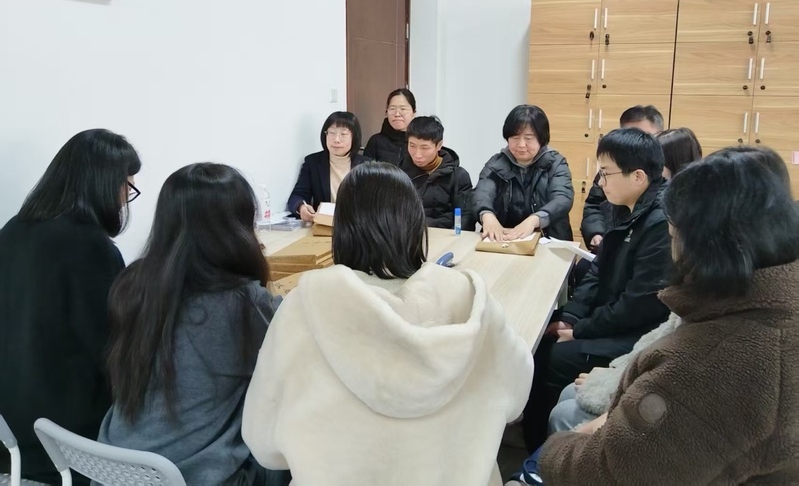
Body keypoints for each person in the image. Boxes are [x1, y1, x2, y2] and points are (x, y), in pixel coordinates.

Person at [242, 163, 533, 486]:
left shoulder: (303, 308)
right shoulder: (473, 303)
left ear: (342, 228)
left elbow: (263, 442)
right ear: (415, 222)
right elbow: (516, 398)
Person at [537, 147, 799, 484]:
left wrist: (549, 454)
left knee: (562, 411)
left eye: (674, 236)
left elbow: (614, 468)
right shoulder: (767, 290)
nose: (600, 182)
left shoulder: (711, 360)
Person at [99, 163, 287, 486]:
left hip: (115, 468)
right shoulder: (243, 302)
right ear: (237, 227)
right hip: (195, 476)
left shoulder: (133, 284)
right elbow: (292, 356)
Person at [0, 129, 141, 485]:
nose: (125, 199)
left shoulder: (12, 231)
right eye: (127, 186)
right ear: (103, 185)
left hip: (12, 428)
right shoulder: (91, 248)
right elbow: (112, 349)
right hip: (69, 442)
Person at [522, 128, 672, 451]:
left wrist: (579, 331)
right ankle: (535, 442)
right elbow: (596, 271)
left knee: (552, 356)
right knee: (544, 333)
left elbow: (638, 307)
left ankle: (542, 452)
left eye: (606, 173)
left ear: (638, 177)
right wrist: (571, 319)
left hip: (640, 334)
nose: (600, 182)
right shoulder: (625, 207)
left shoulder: (660, 223)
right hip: (614, 317)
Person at [473, 105, 574, 242]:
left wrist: (534, 220)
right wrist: (487, 215)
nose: (521, 144)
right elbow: (482, 193)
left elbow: (562, 199)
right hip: (505, 239)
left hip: (549, 239)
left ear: (541, 138)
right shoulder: (496, 164)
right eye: (515, 137)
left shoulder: (556, 163)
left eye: (528, 138)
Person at [581, 104, 664, 250]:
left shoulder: (660, 219)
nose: (636, 144)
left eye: (643, 135)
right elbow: (593, 206)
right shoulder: (610, 173)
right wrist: (596, 233)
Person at [399, 115, 476, 231]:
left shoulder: (458, 176)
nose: (417, 154)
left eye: (424, 148)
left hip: (447, 236)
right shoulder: (400, 173)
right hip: (408, 235)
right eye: (412, 146)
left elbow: (465, 217)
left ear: (439, 145)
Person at [287, 111, 367, 222]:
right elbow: (297, 195)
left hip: (356, 226)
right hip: (323, 225)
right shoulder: (313, 162)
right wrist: (301, 208)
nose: (336, 139)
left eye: (343, 134)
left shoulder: (366, 165)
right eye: (332, 133)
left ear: (354, 137)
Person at [363, 88, 416, 164]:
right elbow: (365, 169)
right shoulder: (376, 141)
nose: (397, 114)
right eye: (392, 108)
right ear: (386, 112)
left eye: (403, 109)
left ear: (414, 112)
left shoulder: (419, 141)